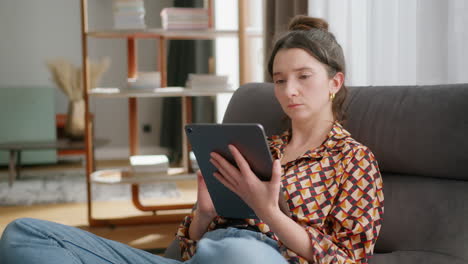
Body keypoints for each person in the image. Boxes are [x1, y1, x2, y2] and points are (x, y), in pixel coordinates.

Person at [0, 15, 383, 264]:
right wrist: (202, 214)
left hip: (257, 258)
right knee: (23, 235)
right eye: (280, 80)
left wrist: (269, 213)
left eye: (303, 76)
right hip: (206, 255)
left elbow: (348, 261)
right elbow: (185, 249)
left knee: (238, 255)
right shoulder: (260, 147)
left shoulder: (355, 161)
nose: (288, 90)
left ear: (335, 82)